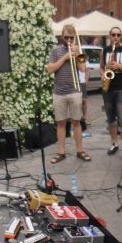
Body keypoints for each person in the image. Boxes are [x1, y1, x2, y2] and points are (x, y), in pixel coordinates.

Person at [47, 25, 90, 163]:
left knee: (76, 122)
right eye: (67, 37)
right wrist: (65, 57)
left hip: (75, 91)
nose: (69, 40)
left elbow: (83, 69)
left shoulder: (78, 51)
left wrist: (77, 55)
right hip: (59, 92)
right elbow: (50, 69)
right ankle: (61, 152)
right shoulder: (55, 51)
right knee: (61, 123)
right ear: (62, 37)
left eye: (71, 37)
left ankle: (80, 151)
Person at [100, 26, 122, 162]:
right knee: (111, 118)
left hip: (121, 88)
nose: (115, 37)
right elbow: (102, 66)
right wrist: (103, 75)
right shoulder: (105, 50)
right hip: (107, 88)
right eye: (113, 35)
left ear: (121, 36)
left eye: (118, 35)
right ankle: (114, 143)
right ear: (109, 36)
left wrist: (118, 66)